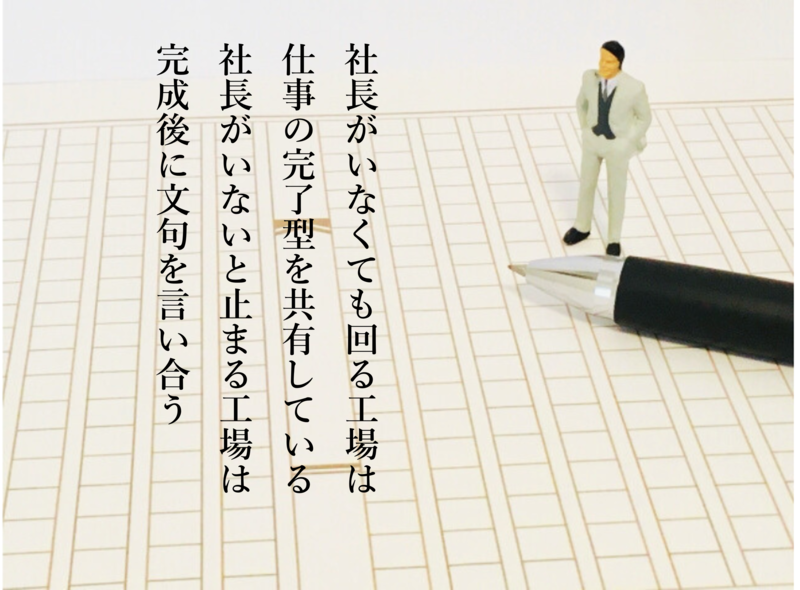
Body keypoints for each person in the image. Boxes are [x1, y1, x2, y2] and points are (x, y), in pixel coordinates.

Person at [563, 41, 651, 256]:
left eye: (609, 62)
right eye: (602, 59)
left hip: (617, 146)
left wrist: (627, 141)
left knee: (616, 191)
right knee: (586, 184)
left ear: (619, 63)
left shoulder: (634, 88)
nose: (603, 65)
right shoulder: (589, 78)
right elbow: (581, 103)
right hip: (592, 141)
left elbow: (644, 118)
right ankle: (582, 226)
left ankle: (613, 239)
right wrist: (585, 128)